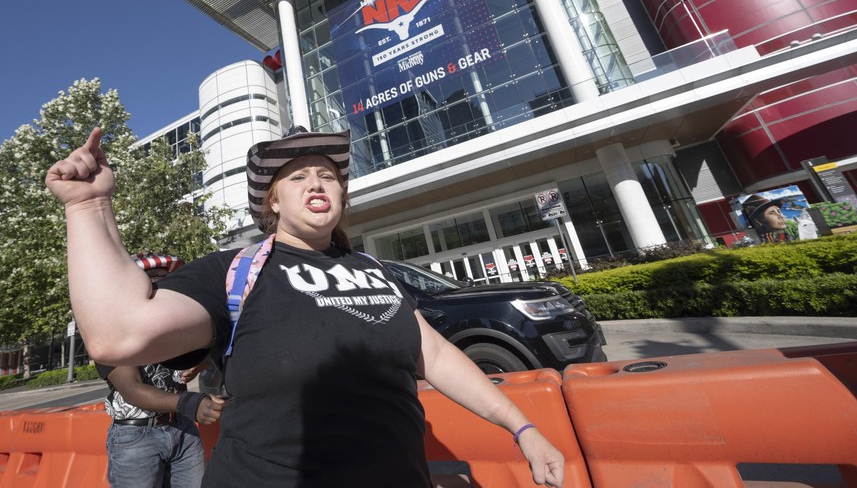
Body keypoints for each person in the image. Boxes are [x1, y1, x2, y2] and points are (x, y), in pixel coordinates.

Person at [46, 126, 565, 488]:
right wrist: (88, 206)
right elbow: (117, 336)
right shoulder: (237, 270)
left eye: (327, 175)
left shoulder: (373, 270)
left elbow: (438, 355)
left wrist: (524, 429)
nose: (317, 182)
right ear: (272, 202)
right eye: (297, 177)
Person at [96, 252, 225, 488]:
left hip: (182, 428)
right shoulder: (113, 330)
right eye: (153, 279)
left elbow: (209, 351)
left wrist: (200, 363)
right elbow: (132, 389)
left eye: (166, 279)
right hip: (135, 438)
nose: (160, 286)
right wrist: (191, 403)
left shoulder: (174, 323)